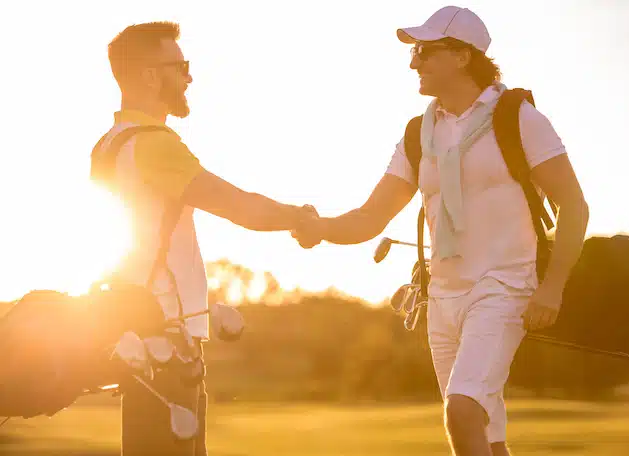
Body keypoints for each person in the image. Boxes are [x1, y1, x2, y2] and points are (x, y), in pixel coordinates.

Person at [291, 6, 589, 456]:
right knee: (486, 436)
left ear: (464, 56)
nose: (414, 62)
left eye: (424, 51)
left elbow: (574, 206)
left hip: (504, 287)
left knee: (462, 411)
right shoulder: (418, 134)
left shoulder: (519, 118)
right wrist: (319, 228)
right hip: (442, 298)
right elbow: (371, 217)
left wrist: (552, 288)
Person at [94, 22, 316, 456]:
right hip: (165, 343)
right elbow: (239, 206)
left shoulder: (108, 144)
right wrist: (301, 218)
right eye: (181, 66)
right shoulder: (153, 146)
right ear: (150, 76)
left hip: (141, 338)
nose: (189, 77)